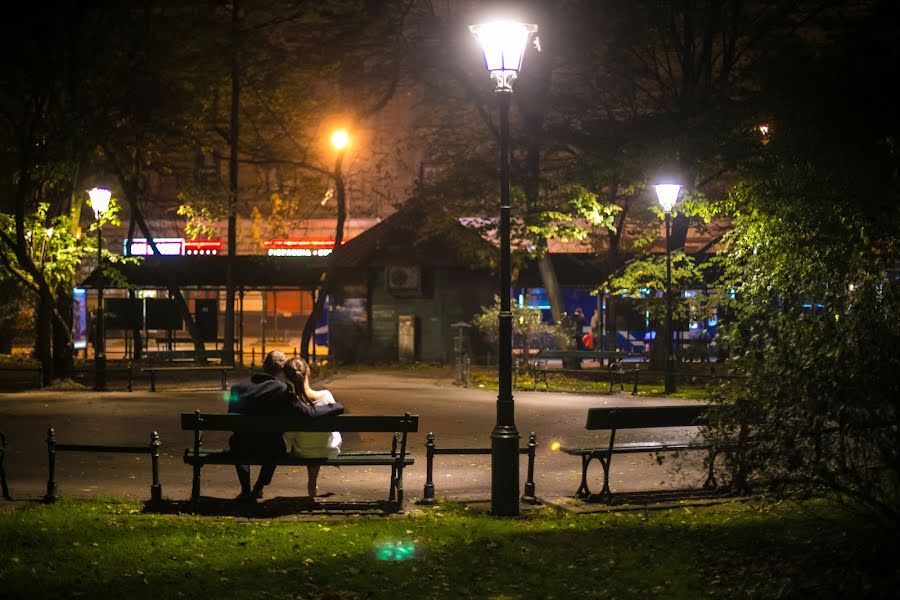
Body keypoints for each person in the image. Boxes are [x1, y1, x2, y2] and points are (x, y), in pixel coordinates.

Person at [227, 350, 344, 502]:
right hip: (268, 447)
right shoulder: (282, 389)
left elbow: (231, 419)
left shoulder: (238, 388)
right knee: (278, 445)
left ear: (263, 365)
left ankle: (245, 489)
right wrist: (335, 407)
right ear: (282, 370)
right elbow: (306, 413)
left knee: (236, 441)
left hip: (242, 445)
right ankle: (259, 487)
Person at [283, 357, 342, 497]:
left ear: (287, 377)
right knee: (328, 435)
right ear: (308, 371)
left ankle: (312, 481)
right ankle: (312, 481)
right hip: (328, 449)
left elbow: (289, 436)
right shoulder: (326, 396)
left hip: (302, 452)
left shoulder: (292, 404)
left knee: (306, 440)